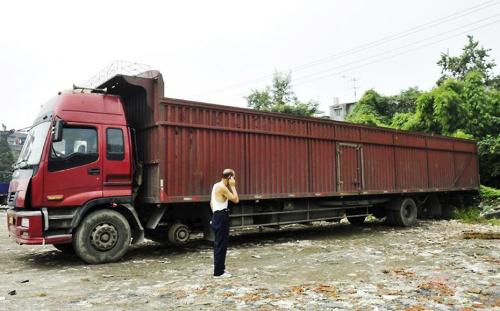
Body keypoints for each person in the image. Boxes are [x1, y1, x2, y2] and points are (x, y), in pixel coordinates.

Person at [210, 168, 239, 278]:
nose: (234, 180)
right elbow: (236, 199)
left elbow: (211, 203)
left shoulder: (215, 185)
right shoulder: (222, 188)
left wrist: (214, 215)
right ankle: (218, 272)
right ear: (229, 177)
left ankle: (220, 269)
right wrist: (233, 186)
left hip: (217, 215)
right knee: (221, 245)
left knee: (220, 244)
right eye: (233, 177)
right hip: (221, 216)